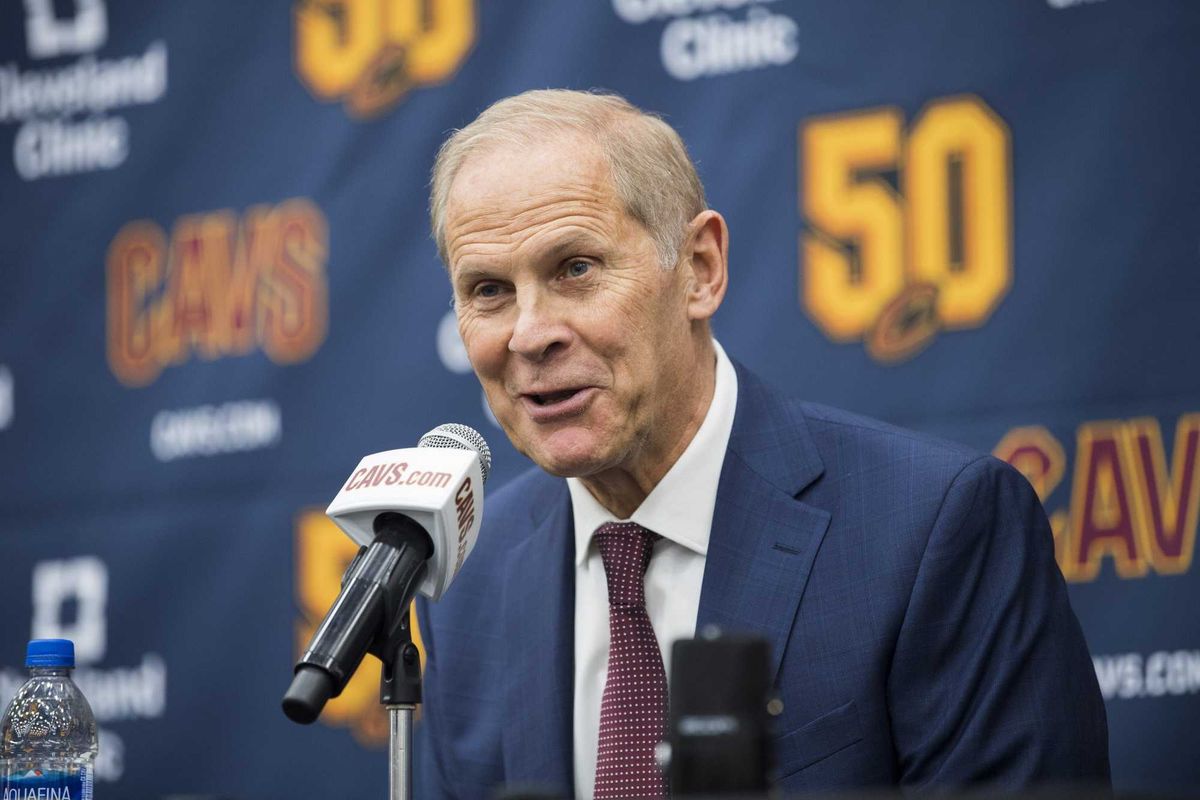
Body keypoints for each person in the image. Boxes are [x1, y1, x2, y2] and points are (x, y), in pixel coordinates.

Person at [415, 89, 1110, 799]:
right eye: (489, 290)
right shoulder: (470, 578)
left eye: (576, 269)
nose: (530, 334)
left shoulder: (936, 527)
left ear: (700, 269)